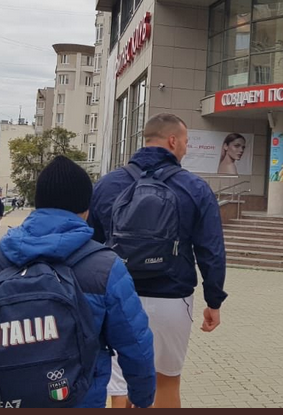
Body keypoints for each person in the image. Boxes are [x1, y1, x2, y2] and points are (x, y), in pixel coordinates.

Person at [0, 156, 156, 408]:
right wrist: (142, 397)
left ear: (37, 204)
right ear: (86, 210)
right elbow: (135, 344)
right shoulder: (105, 267)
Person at [88, 113, 227, 408]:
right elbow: (211, 251)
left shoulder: (108, 184)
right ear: (173, 141)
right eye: (186, 142)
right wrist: (214, 301)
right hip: (172, 298)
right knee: (166, 380)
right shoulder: (195, 188)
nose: (187, 149)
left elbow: (91, 246)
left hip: (119, 296)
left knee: (121, 385)